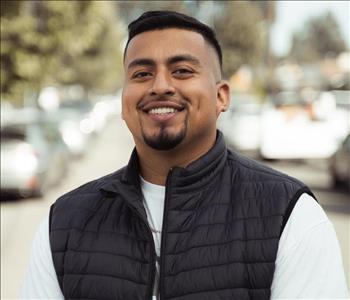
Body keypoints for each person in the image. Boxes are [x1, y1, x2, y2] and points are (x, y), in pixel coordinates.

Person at [22, 10, 348, 300]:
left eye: (182, 71)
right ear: (124, 101)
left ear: (221, 96)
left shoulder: (290, 215)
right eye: (141, 74)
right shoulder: (63, 224)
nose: (160, 85)